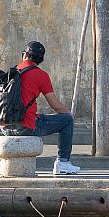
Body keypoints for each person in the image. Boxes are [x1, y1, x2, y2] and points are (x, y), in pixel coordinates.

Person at [14, 40, 80, 176]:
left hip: (6, 127)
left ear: (24, 55)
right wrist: (69, 114)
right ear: (41, 59)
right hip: (25, 127)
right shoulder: (40, 75)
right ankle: (63, 162)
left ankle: (63, 162)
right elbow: (56, 106)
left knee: (38, 116)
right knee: (67, 119)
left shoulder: (12, 72)